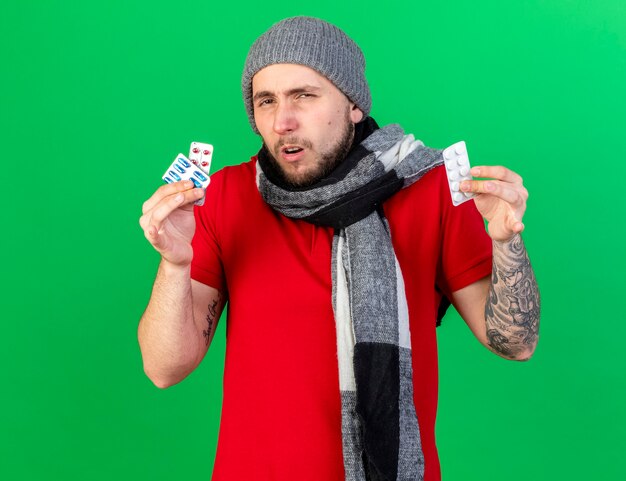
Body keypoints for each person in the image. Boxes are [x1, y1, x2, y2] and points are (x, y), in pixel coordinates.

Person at [138, 16, 540, 481]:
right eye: (265, 101)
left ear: (352, 104)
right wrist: (175, 261)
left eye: (303, 96)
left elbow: (517, 344)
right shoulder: (226, 194)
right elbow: (163, 368)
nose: (282, 121)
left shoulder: (427, 189)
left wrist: (508, 243)